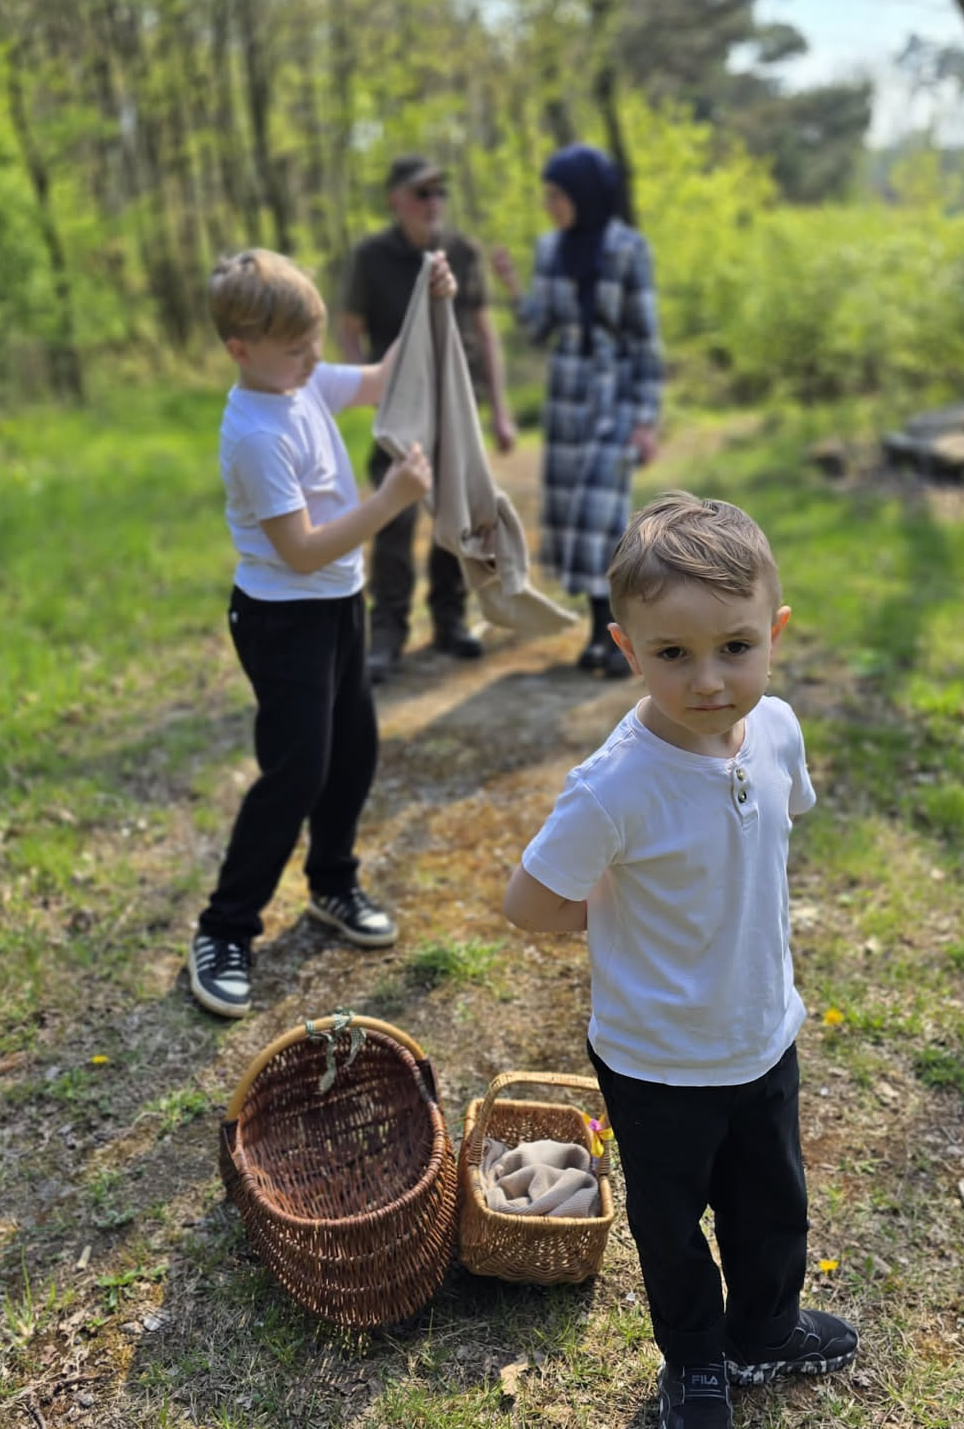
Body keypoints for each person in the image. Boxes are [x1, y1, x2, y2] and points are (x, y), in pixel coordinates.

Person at [502, 492, 858, 1429]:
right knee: (671, 1228)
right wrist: (617, 916)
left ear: (775, 634)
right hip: (655, 1061)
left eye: (735, 648)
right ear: (627, 648)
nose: (708, 680)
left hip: (762, 1034)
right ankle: (697, 1362)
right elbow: (530, 902)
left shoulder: (776, 730)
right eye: (672, 654)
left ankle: (766, 1328)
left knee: (772, 1206)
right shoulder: (614, 786)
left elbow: (770, 830)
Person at [187, 245, 456, 1020]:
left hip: (341, 607)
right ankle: (223, 930)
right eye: (296, 350)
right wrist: (390, 499)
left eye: (314, 344)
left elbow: (379, 379)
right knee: (296, 773)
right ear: (241, 350)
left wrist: (428, 303)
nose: (313, 361)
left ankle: (332, 884)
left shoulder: (298, 381)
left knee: (354, 753)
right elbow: (302, 550)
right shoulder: (255, 433)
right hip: (283, 621)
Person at [340, 155, 516, 683]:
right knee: (394, 518)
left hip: (457, 404)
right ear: (395, 199)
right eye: (421, 192)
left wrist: (501, 410)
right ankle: (387, 631)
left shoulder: (462, 252)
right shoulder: (371, 256)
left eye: (440, 191)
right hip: (401, 407)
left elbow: (483, 330)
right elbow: (349, 328)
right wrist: (367, 387)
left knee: (455, 515)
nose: (433, 202)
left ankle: (449, 620)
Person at [490, 143, 663, 677]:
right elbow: (541, 327)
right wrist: (514, 288)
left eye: (557, 195)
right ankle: (596, 633)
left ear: (584, 194)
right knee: (574, 521)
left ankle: (621, 638)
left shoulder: (628, 248)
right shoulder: (550, 249)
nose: (550, 205)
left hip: (614, 395)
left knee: (604, 518)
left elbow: (645, 336)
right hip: (566, 399)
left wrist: (647, 419)